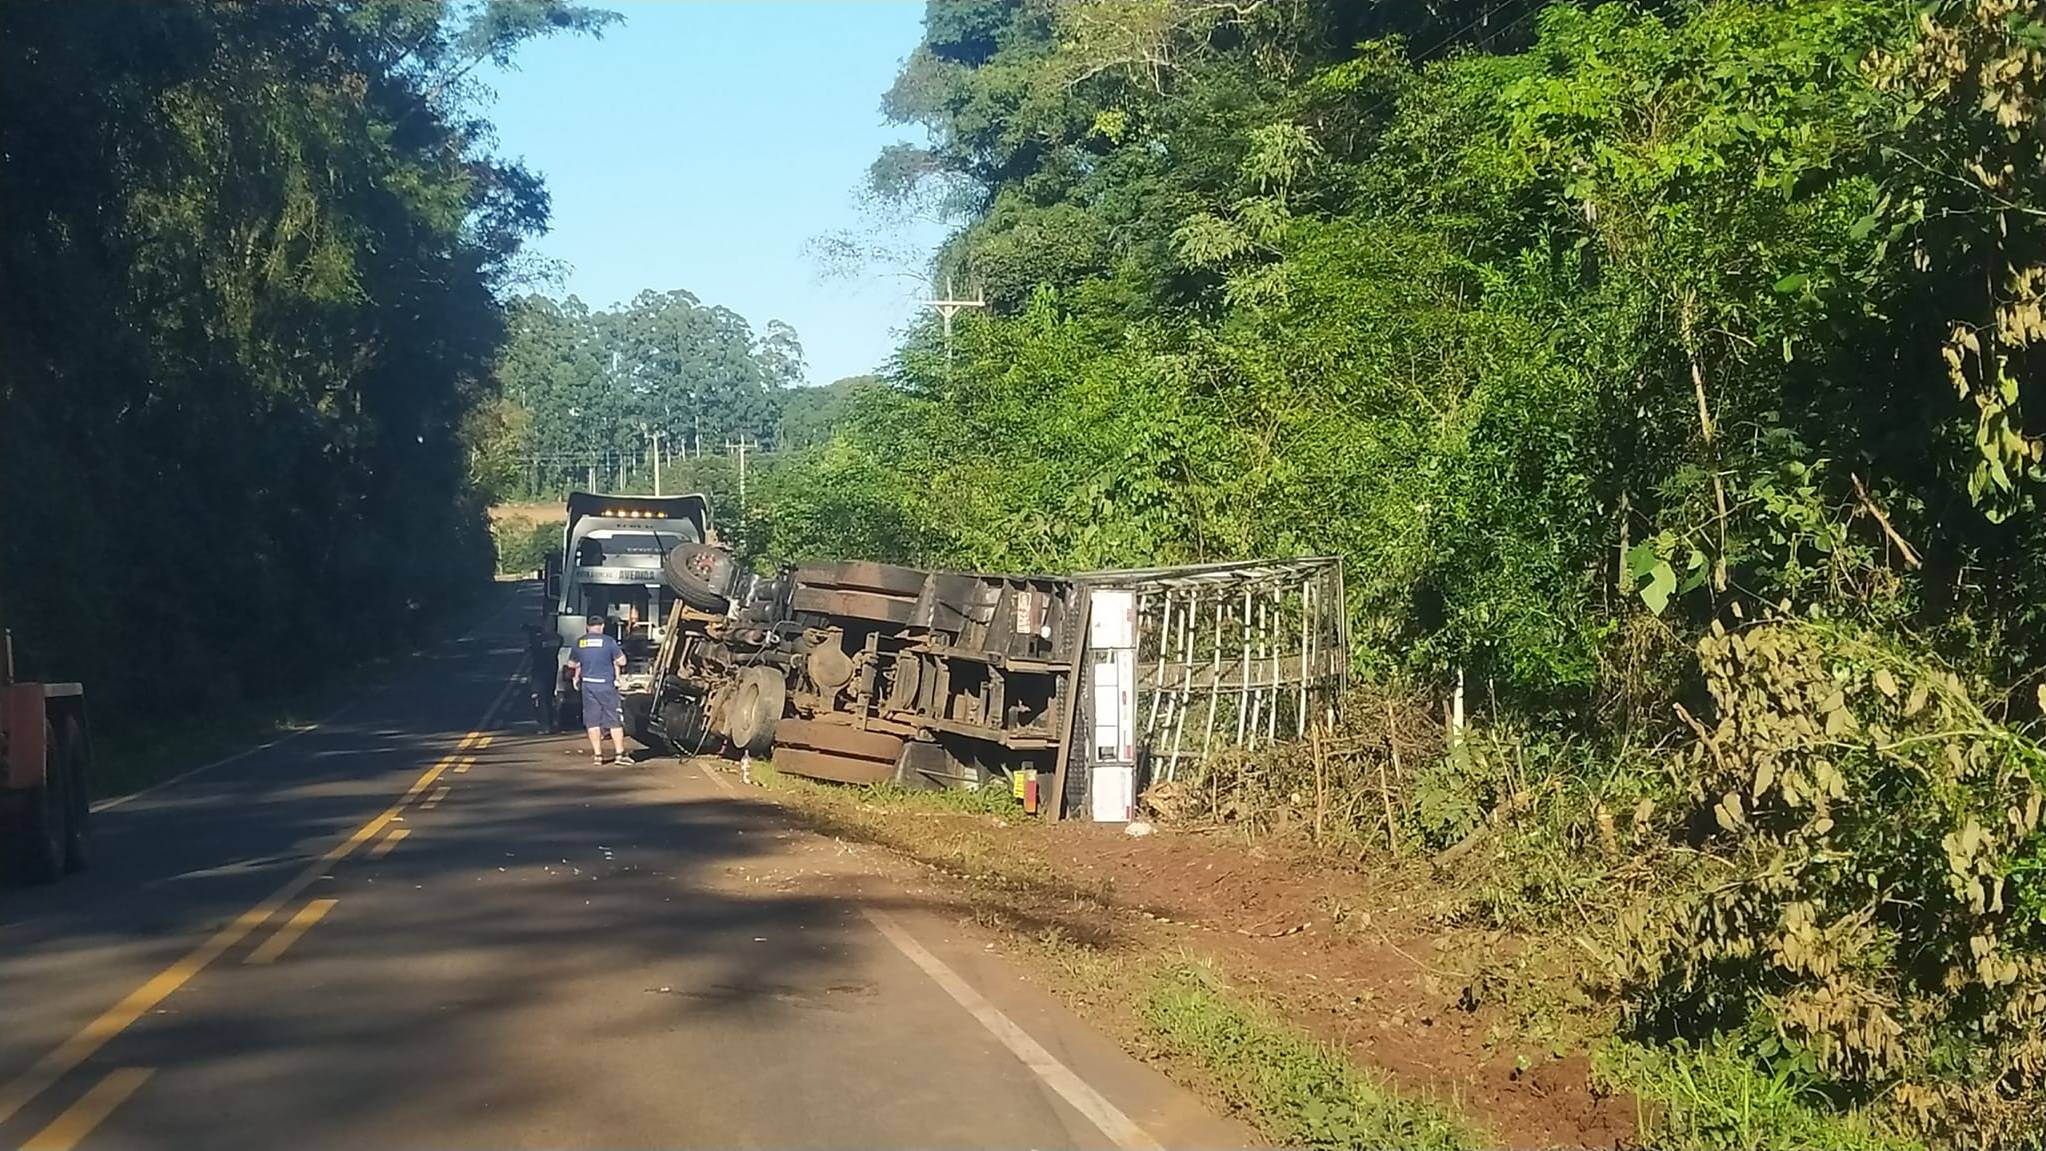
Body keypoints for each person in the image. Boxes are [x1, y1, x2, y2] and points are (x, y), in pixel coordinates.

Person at [570, 615, 631, 764]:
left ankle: (598, 756)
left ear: (587, 627)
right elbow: (622, 661)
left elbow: (571, 664)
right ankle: (619, 755)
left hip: (588, 685)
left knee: (592, 721)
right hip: (606, 685)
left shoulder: (580, 642)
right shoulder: (608, 641)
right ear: (602, 626)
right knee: (613, 720)